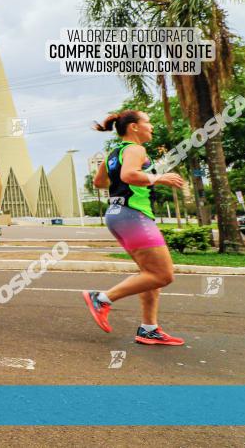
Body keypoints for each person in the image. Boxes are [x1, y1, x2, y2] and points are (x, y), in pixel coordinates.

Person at [83, 110, 186, 345]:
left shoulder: (114, 153)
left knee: (150, 274)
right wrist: (157, 178)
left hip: (116, 214)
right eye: (147, 122)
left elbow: (99, 182)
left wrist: (121, 181)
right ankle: (101, 298)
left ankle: (149, 329)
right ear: (134, 127)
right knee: (163, 274)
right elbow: (129, 174)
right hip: (133, 215)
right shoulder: (135, 149)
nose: (152, 127)